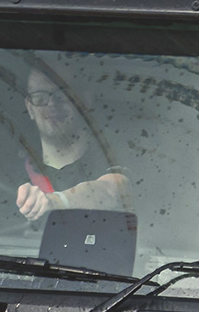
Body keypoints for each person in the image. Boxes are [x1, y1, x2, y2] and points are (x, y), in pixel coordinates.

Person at [15, 62, 133, 221]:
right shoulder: (9, 169)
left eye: (62, 95)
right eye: (40, 97)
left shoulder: (113, 153)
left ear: (85, 101)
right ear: (29, 108)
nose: (52, 104)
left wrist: (55, 202)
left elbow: (111, 190)